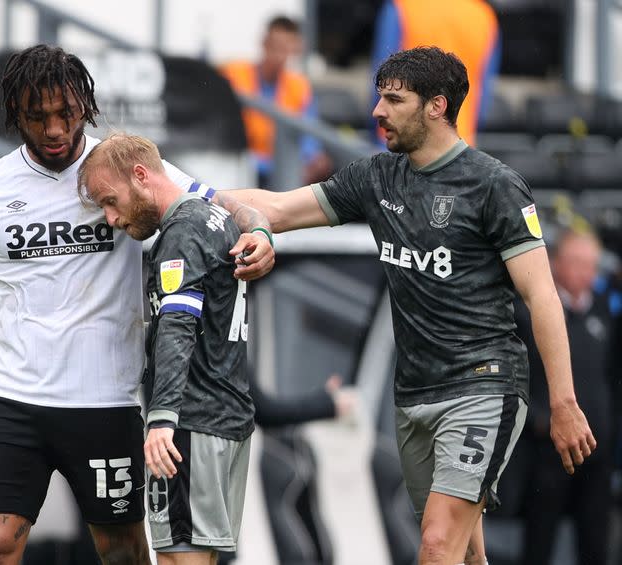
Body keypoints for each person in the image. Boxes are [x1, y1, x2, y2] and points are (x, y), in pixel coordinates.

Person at [216, 46, 596, 565]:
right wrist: (187, 196)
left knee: (437, 545)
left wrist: (564, 402)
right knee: (463, 554)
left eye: (394, 100)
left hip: (484, 385)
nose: (377, 112)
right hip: (413, 395)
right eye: (379, 99)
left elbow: (542, 296)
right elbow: (279, 209)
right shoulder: (377, 178)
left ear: (436, 106)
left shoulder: (495, 186)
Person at [0, 44, 274, 565]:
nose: (55, 129)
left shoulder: (122, 170)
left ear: (85, 105)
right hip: (12, 397)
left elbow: (212, 202)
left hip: (105, 401)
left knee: (122, 552)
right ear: (16, 114)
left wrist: (258, 229)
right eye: (38, 117)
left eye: (66, 114)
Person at [78, 133, 255, 565]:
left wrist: (161, 419)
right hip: (226, 419)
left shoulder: (181, 234)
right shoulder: (216, 218)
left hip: (188, 427)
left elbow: (178, 325)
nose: (111, 217)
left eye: (110, 200)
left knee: (180, 559)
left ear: (140, 175)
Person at [516, 228, 616, 565]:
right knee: (539, 544)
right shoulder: (528, 313)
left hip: (596, 455)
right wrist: (538, 421)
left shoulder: (605, 311)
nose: (582, 272)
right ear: (555, 263)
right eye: (574, 262)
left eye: (590, 265)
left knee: (595, 546)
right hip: (548, 452)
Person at [219, 15, 333, 188]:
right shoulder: (234, 75)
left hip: (283, 171)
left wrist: (311, 160)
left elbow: (310, 139)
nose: (278, 56)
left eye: (284, 49)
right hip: (239, 166)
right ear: (264, 43)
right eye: (275, 47)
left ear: (294, 49)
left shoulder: (299, 87)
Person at [371, 0, 501, 147]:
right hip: (458, 139)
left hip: (400, 136)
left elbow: (382, 79)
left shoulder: (402, 6)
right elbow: (484, 93)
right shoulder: (483, 14)